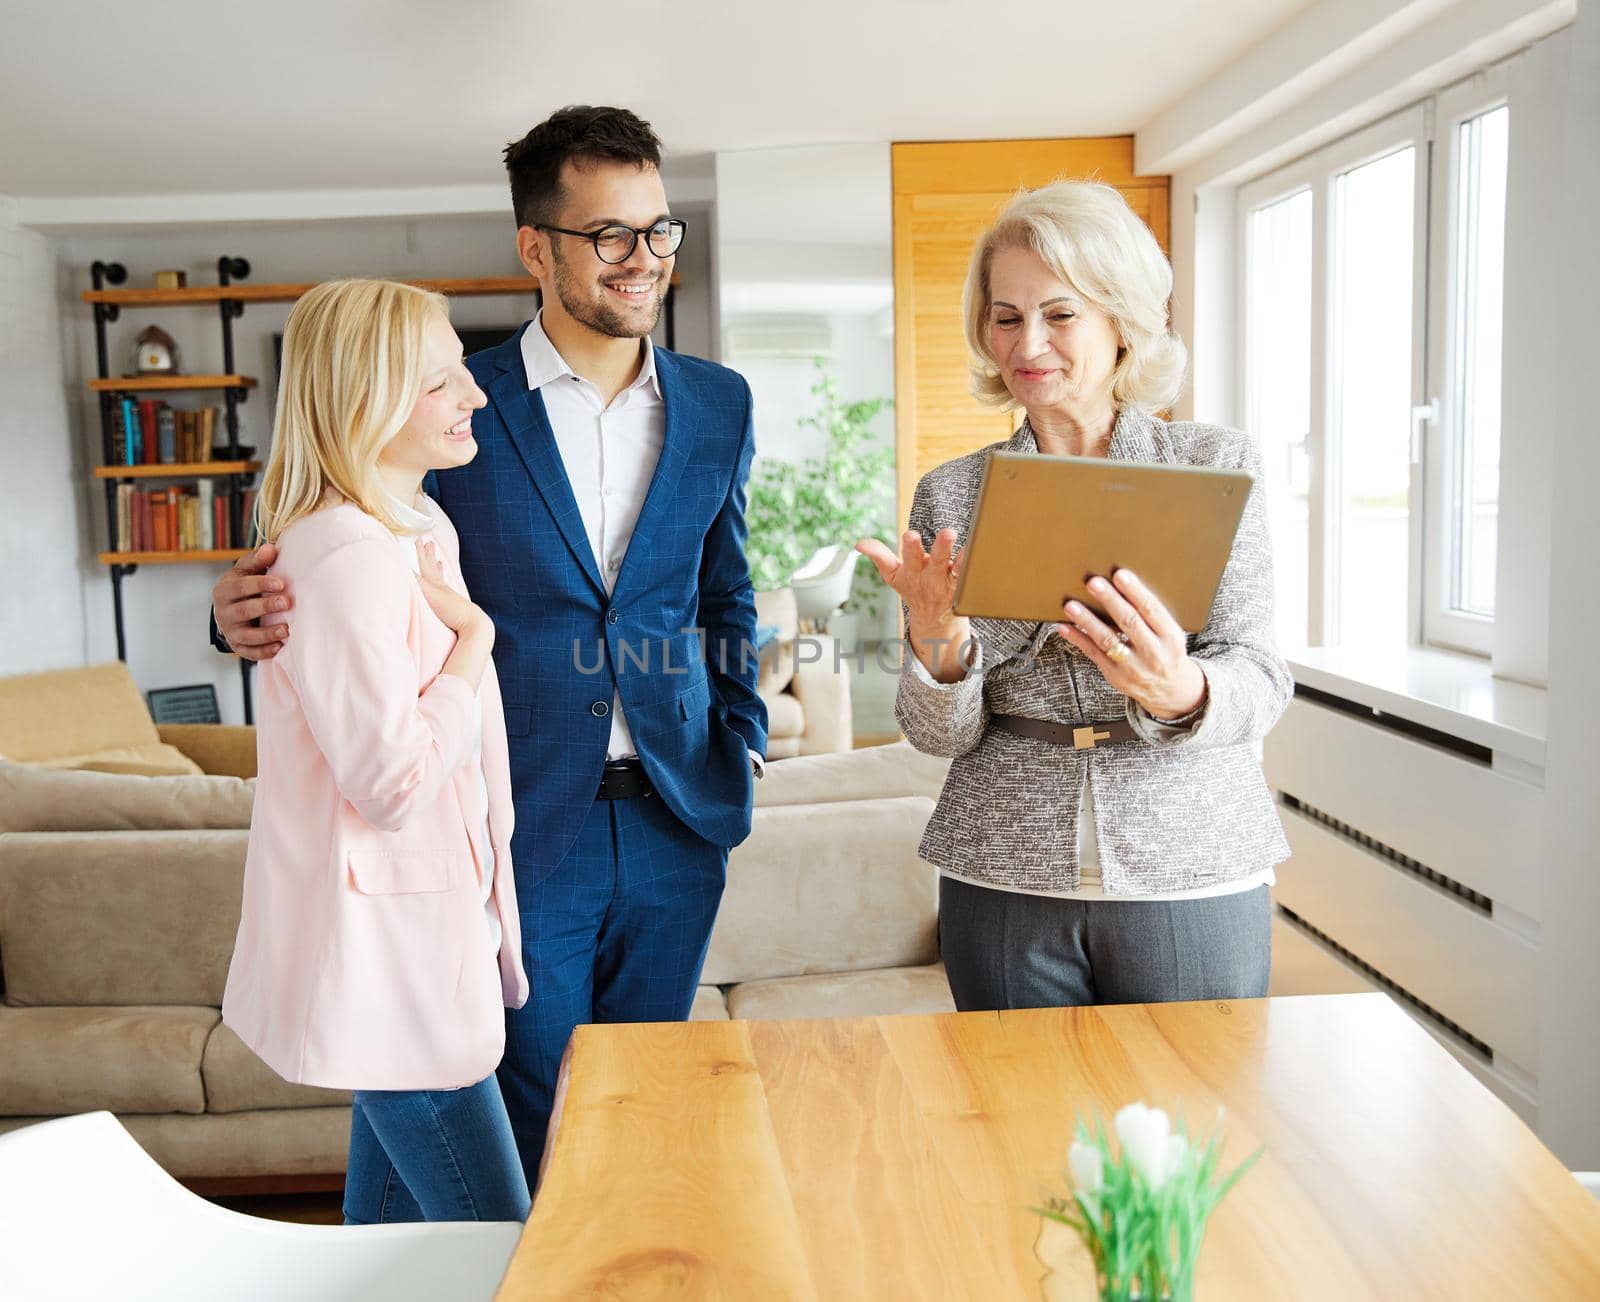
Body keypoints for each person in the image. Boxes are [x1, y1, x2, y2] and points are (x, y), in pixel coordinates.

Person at [213, 107, 766, 1191]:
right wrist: (239, 615)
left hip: (678, 817)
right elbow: (342, 550)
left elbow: (725, 589)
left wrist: (740, 737)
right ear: (537, 247)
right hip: (516, 826)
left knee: (647, 1104)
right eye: (610, 234)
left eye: (659, 232)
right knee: (534, 1122)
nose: (642, 260)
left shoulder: (719, 404)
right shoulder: (453, 407)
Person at [858, 180, 1291, 1012]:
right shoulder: (951, 494)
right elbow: (935, 733)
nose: (1029, 343)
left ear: (1121, 320)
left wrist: (1183, 690)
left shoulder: (1212, 465)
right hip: (1002, 870)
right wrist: (937, 642)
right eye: (1007, 316)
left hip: (1189, 859)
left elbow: (1260, 676)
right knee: (1017, 1129)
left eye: (1060, 314)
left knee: (1191, 1124)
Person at [221, 278, 530, 1224]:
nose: (475, 396)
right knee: (504, 1246)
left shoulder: (420, 527)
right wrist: (472, 653)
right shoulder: (347, 553)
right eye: (443, 382)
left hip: (426, 935)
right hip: (391, 959)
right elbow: (391, 782)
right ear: (368, 399)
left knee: (387, 1249)